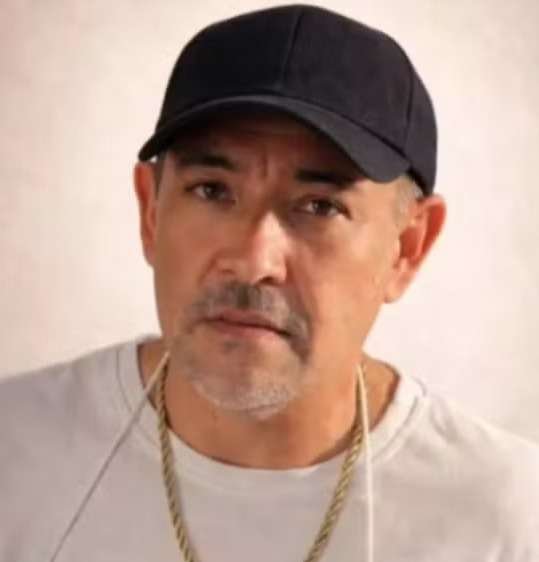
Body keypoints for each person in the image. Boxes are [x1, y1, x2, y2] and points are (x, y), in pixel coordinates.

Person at [1, 5, 538, 562]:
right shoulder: (15, 456)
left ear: (407, 247)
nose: (254, 261)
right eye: (212, 190)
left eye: (319, 206)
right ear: (151, 212)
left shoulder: (507, 520)